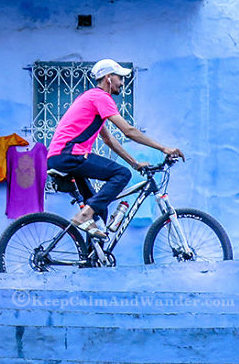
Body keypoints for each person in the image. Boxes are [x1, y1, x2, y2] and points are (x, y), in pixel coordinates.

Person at [46, 58, 184, 238]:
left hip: (61, 156)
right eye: (120, 78)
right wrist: (163, 148)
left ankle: (91, 260)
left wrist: (134, 163)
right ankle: (84, 215)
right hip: (70, 154)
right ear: (108, 78)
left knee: (99, 209)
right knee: (122, 174)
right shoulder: (101, 97)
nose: (122, 82)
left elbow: (108, 139)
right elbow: (128, 131)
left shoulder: (91, 99)